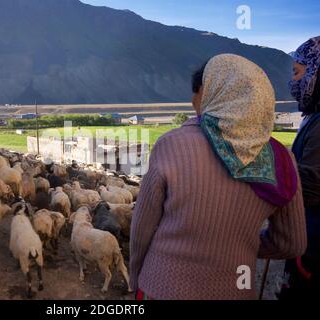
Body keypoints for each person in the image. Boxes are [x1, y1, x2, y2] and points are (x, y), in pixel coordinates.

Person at [129, 54, 307, 300]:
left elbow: (142, 228)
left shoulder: (172, 145)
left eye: (197, 92)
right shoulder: (281, 159)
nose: (193, 100)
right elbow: (293, 243)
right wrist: (244, 245)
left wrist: (136, 275)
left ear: (212, 93)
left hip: (162, 287)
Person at [280, 36, 320, 299]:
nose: (293, 81)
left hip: (314, 247)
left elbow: (312, 186)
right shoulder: (314, 115)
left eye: (297, 72)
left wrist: (272, 164)